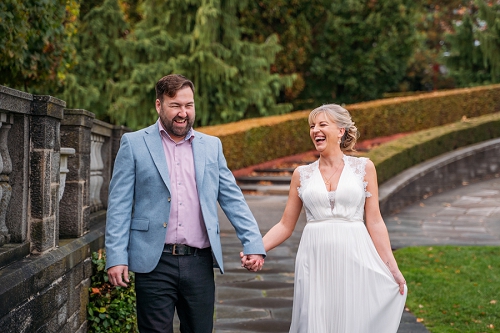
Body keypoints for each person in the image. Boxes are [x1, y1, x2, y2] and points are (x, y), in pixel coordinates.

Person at [105, 74, 265, 333]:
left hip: (199, 263)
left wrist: (254, 243)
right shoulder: (134, 144)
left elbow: (232, 198)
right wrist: (116, 257)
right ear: (159, 105)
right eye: (175, 106)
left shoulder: (211, 146)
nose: (183, 113)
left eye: (188, 105)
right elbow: (119, 206)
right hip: (154, 262)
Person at [243, 104, 407, 332]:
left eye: (322, 124)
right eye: (312, 126)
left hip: (355, 256)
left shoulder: (364, 167)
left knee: (352, 319)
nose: (315, 130)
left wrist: (392, 267)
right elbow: (285, 225)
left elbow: (375, 221)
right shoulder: (302, 174)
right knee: (315, 321)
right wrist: (257, 248)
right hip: (314, 259)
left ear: (341, 131)